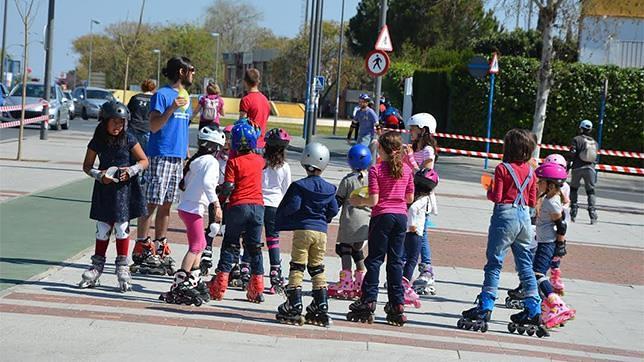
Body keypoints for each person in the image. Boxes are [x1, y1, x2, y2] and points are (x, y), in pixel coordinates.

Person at [457, 129, 548, 338]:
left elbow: (496, 196)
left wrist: (488, 188)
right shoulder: (531, 172)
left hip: (505, 217)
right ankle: (533, 309)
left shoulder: (502, 169)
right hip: (525, 218)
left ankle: (486, 306)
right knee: (525, 265)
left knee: (494, 263)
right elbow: (533, 200)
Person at [131, 57, 194, 276]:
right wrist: (170, 109)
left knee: (167, 204)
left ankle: (160, 244)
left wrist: (186, 154)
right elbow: (154, 126)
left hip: (177, 157)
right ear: (181, 71)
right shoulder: (162, 95)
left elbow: (184, 127)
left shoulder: (187, 97)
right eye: (191, 70)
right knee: (152, 203)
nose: (193, 74)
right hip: (160, 155)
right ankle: (142, 245)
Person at [346, 132, 415, 327]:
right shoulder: (407, 171)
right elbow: (409, 198)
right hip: (401, 217)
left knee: (375, 259)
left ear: (382, 150)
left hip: (382, 216)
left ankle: (369, 300)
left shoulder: (376, 170)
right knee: (395, 262)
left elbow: (374, 200)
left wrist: (357, 200)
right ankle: (397, 303)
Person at [78, 101, 148, 292]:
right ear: (105, 121)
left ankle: (123, 267)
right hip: (104, 188)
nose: (118, 126)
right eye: (114, 122)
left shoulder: (129, 138)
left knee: (122, 227)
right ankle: (96, 266)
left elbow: (144, 160)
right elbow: (86, 166)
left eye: (121, 122)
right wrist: (98, 175)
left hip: (124, 190)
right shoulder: (97, 140)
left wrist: (132, 170)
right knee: (102, 228)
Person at [160, 127, 225, 306]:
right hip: (193, 208)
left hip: (187, 207)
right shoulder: (211, 162)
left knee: (201, 244)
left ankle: (193, 278)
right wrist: (216, 205)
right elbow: (207, 184)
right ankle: (179, 284)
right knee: (196, 246)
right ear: (216, 147)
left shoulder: (196, 160)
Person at [275, 143, 339, 327]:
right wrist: (323, 218)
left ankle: (294, 304)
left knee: (297, 267)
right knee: (317, 268)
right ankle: (321, 304)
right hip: (321, 233)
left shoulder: (299, 186)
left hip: (303, 231)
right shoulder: (329, 188)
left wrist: (284, 219)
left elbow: (293, 206)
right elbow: (333, 209)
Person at [209, 121, 266, 303]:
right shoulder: (259, 160)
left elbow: (229, 187)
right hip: (257, 208)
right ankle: (257, 288)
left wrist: (220, 201)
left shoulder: (233, 162)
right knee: (254, 247)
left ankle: (220, 285)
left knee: (230, 243)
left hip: (238, 207)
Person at [239, 128, 292, 294]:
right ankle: (275, 271)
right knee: (273, 239)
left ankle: (246, 267)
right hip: (275, 205)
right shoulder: (285, 167)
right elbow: (286, 189)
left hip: (257, 202)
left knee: (252, 238)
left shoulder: (259, 162)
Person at [532, 162, 576, 329]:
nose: (538, 183)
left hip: (547, 244)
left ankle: (557, 304)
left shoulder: (552, 202)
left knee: (538, 274)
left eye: (541, 181)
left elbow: (561, 225)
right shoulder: (550, 198)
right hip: (545, 241)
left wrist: (560, 244)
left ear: (550, 185)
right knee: (538, 274)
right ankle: (548, 309)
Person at [328, 144, 372, 300]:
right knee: (358, 251)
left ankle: (346, 283)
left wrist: (328, 214)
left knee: (345, 249)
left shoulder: (347, 181)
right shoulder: (372, 179)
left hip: (350, 221)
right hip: (366, 223)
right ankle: (360, 283)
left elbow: (337, 201)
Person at [404, 113, 439, 296]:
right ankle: (403, 269)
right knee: (407, 231)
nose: (410, 132)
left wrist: (410, 158)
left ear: (423, 130)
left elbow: (426, 175)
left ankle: (427, 270)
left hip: (422, 196)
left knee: (421, 233)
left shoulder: (428, 151)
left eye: (413, 129)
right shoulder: (414, 148)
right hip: (409, 194)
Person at [402, 168, 439, 309]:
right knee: (412, 257)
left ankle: (405, 279)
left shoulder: (416, 197)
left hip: (413, 230)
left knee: (409, 255)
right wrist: (412, 225)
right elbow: (433, 210)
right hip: (415, 231)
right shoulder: (424, 198)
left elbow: (412, 210)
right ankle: (405, 282)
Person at [200, 124, 233, 276]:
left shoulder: (236, 158)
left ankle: (229, 260)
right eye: (225, 139)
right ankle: (207, 253)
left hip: (231, 197)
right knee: (213, 227)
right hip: (217, 196)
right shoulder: (215, 157)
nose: (227, 143)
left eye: (230, 140)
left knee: (227, 228)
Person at [566, 119, 598, 224]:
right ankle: (592, 215)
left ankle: (573, 212)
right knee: (591, 191)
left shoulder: (576, 139)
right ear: (590, 130)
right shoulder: (595, 142)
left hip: (577, 168)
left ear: (581, 128)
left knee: (574, 189)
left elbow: (572, 153)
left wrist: (568, 165)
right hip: (591, 168)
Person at [239, 68, 271, 150]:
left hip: (249, 144)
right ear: (258, 82)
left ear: (245, 82)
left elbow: (241, 123)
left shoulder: (246, 100)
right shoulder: (265, 100)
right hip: (262, 143)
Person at [126, 79, 156, 152]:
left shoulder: (135, 97)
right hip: (147, 130)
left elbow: (127, 112)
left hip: (133, 129)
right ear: (154, 88)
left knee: (131, 156)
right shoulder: (155, 99)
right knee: (146, 157)